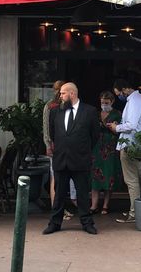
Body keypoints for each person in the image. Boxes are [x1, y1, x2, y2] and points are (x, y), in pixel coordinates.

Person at [43, 82, 100, 235]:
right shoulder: (55, 112)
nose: (60, 96)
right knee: (59, 194)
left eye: (62, 93)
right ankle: (54, 223)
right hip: (61, 159)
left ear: (72, 94)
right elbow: (53, 134)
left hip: (80, 160)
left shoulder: (90, 111)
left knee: (82, 194)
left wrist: (82, 149)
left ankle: (87, 223)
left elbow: (95, 136)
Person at [106, 78, 141, 224]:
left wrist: (116, 128)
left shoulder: (135, 100)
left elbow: (131, 125)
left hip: (131, 145)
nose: (119, 97)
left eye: (118, 94)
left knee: (131, 180)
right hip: (134, 144)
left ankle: (134, 213)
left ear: (124, 89)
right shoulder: (135, 99)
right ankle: (137, 208)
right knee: (136, 178)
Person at [42, 80, 77, 219]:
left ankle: (59, 208)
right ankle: (57, 209)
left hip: (60, 146)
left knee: (58, 178)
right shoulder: (52, 106)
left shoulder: (58, 105)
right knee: (55, 178)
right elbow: (46, 128)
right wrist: (48, 145)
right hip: (56, 146)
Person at [90, 91, 123, 215]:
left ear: (112, 102)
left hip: (110, 149)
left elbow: (121, 132)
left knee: (109, 176)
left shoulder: (117, 114)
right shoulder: (96, 114)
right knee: (95, 177)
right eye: (102, 102)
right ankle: (94, 205)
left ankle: (105, 205)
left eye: (107, 103)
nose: (104, 105)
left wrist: (113, 128)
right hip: (96, 148)